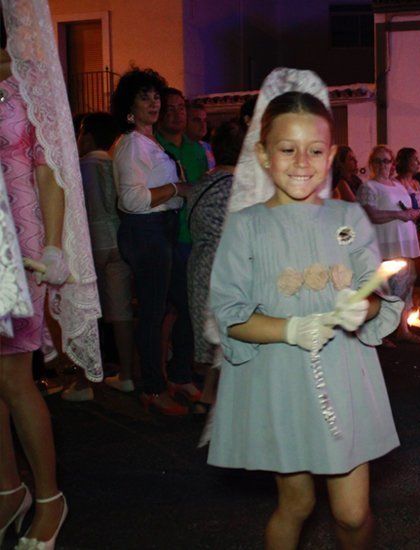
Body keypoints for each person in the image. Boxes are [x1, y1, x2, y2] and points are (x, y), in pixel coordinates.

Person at [208, 68, 402, 550]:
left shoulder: (347, 216)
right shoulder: (246, 226)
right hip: (282, 381)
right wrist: (290, 328)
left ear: (331, 155)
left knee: (354, 515)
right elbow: (230, 311)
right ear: (263, 154)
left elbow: (371, 288)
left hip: (344, 375)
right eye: (286, 148)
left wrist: (365, 306)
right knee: (296, 503)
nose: (301, 162)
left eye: (315, 150)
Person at [0, 2, 103, 546]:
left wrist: (58, 246)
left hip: (19, 252)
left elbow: (51, 170)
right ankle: (7, 490)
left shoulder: (29, 79)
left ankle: (48, 498)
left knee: (15, 379)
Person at [111, 68, 191, 415]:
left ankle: (173, 377)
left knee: (176, 305)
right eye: (144, 97)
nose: (154, 102)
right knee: (155, 310)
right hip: (147, 231)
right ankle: (153, 388)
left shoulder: (149, 143)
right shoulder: (132, 145)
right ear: (129, 107)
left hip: (161, 230)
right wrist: (176, 189)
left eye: (156, 96)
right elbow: (131, 200)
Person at [63, 112, 135, 401]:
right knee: (121, 312)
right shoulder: (116, 162)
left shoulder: (80, 167)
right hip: (118, 240)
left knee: (85, 311)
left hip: (89, 245)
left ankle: (85, 381)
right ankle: (127, 375)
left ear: (88, 136)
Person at [156, 86, 208, 407]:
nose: (176, 114)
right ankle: (162, 375)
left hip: (192, 238)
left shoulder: (196, 150)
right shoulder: (153, 147)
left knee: (189, 309)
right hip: (165, 237)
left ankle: (181, 373)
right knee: (166, 310)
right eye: (170, 108)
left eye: (180, 109)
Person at [186, 121, 244, 411]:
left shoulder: (201, 184)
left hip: (201, 264)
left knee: (218, 339)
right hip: (231, 269)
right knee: (236, 337)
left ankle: (209, 398)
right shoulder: (242, 189)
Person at [357, 145, 420, 344]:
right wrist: (399, 215)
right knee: (384, 290)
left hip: (404, 242)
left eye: (386, 160)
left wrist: (411, 213)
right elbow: (371, 214)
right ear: (371, 164)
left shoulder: (398, 185)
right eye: (378, 161)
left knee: (405, 287)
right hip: (384, 244)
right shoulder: (369, 187)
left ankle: (402, 328)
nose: (382, 165)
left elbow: (408, 207)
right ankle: (380, 332)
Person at [186, 101, 215, 169]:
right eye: (197, 120)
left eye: (204, 120)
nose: (203, 124)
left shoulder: (207, 147)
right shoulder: (181, 149)